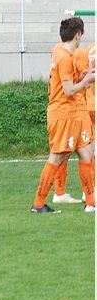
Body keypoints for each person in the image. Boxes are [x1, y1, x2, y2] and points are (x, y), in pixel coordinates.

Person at [31, 17, 95, 214]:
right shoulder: (65, 58)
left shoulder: (58, 50)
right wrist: (87, 81)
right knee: (58, 157)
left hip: (73, 113)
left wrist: (86, 76)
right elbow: (68, 90)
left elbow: (70, 81)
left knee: (87, 152)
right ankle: (38, 203)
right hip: (63, 114)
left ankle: (91, 202)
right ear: (77, 35)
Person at [53, 41, 95, 205]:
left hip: (73, 107)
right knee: (87, 151)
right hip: (78, 108)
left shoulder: (60, 49)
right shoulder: (78, 53)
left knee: (65, 151)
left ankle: (59, 192)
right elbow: (84, 82)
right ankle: (89, 193)